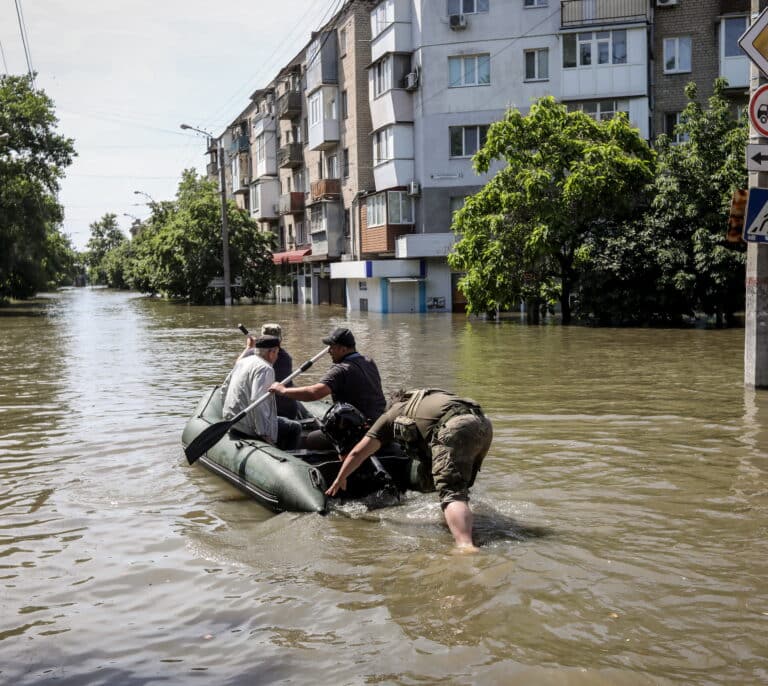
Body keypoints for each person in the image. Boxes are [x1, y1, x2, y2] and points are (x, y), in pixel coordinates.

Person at [325, 388, 493, 551]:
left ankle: (465, 546)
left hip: (455, 427)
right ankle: (460, 523)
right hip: (483, 423)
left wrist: (341, 477)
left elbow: (357, 452)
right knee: (457, 486)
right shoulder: (426, 398)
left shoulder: (393, 413)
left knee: (451, 491)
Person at [269, 327, 385, 448]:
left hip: (355, 429)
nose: (329, 351)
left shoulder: (341, 369)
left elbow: (314, 393)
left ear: (343, 349)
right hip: (377, 425)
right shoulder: (369, 362)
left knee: (309, 439)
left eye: (332, 347)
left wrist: (283, 390)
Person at [221, 335, 302, 450]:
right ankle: (289, 458)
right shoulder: (265, 368)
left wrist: (227, 416)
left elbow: (224, 389)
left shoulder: (242, 361)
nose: (277, 356)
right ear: (271, 353)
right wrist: (264, 434)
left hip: (233, 421)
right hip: (248, 425)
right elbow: (258, 402)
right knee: (294, 427)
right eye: (277, 352)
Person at [237, 323, 299, 419]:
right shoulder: (286, 357)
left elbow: (237, 367)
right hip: (282, 411)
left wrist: (249, 347)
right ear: (280, 339)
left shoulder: (251, 353)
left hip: (272, 412)